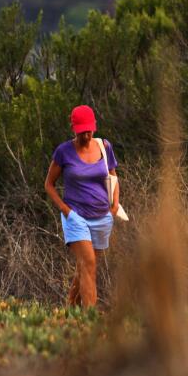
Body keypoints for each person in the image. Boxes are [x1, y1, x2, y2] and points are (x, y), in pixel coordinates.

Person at [44, 105, 119, 307]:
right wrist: (66, 211)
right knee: (89, 264)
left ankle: (70, 307)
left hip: (103, 216)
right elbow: (49, 185)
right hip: (76, 216)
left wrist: (114, 207)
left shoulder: (105, 146)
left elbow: (113, 176)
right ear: (73, 128)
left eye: (89, 129)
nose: (86, 134)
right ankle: (90, 319)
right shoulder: (64, 152)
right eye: (82, 131)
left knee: (85, 267)